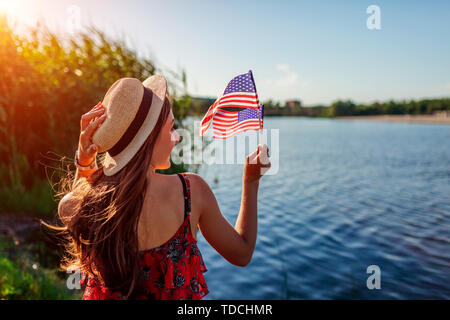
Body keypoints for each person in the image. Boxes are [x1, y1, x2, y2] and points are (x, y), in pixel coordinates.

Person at [53, 75, 271, 300]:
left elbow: (80, 193)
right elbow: (242, 253)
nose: (176, 138)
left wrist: (85, 158)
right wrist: (251, 181)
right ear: (149, 138)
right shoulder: (191, 192)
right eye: (171, 127)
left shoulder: (82, 205)